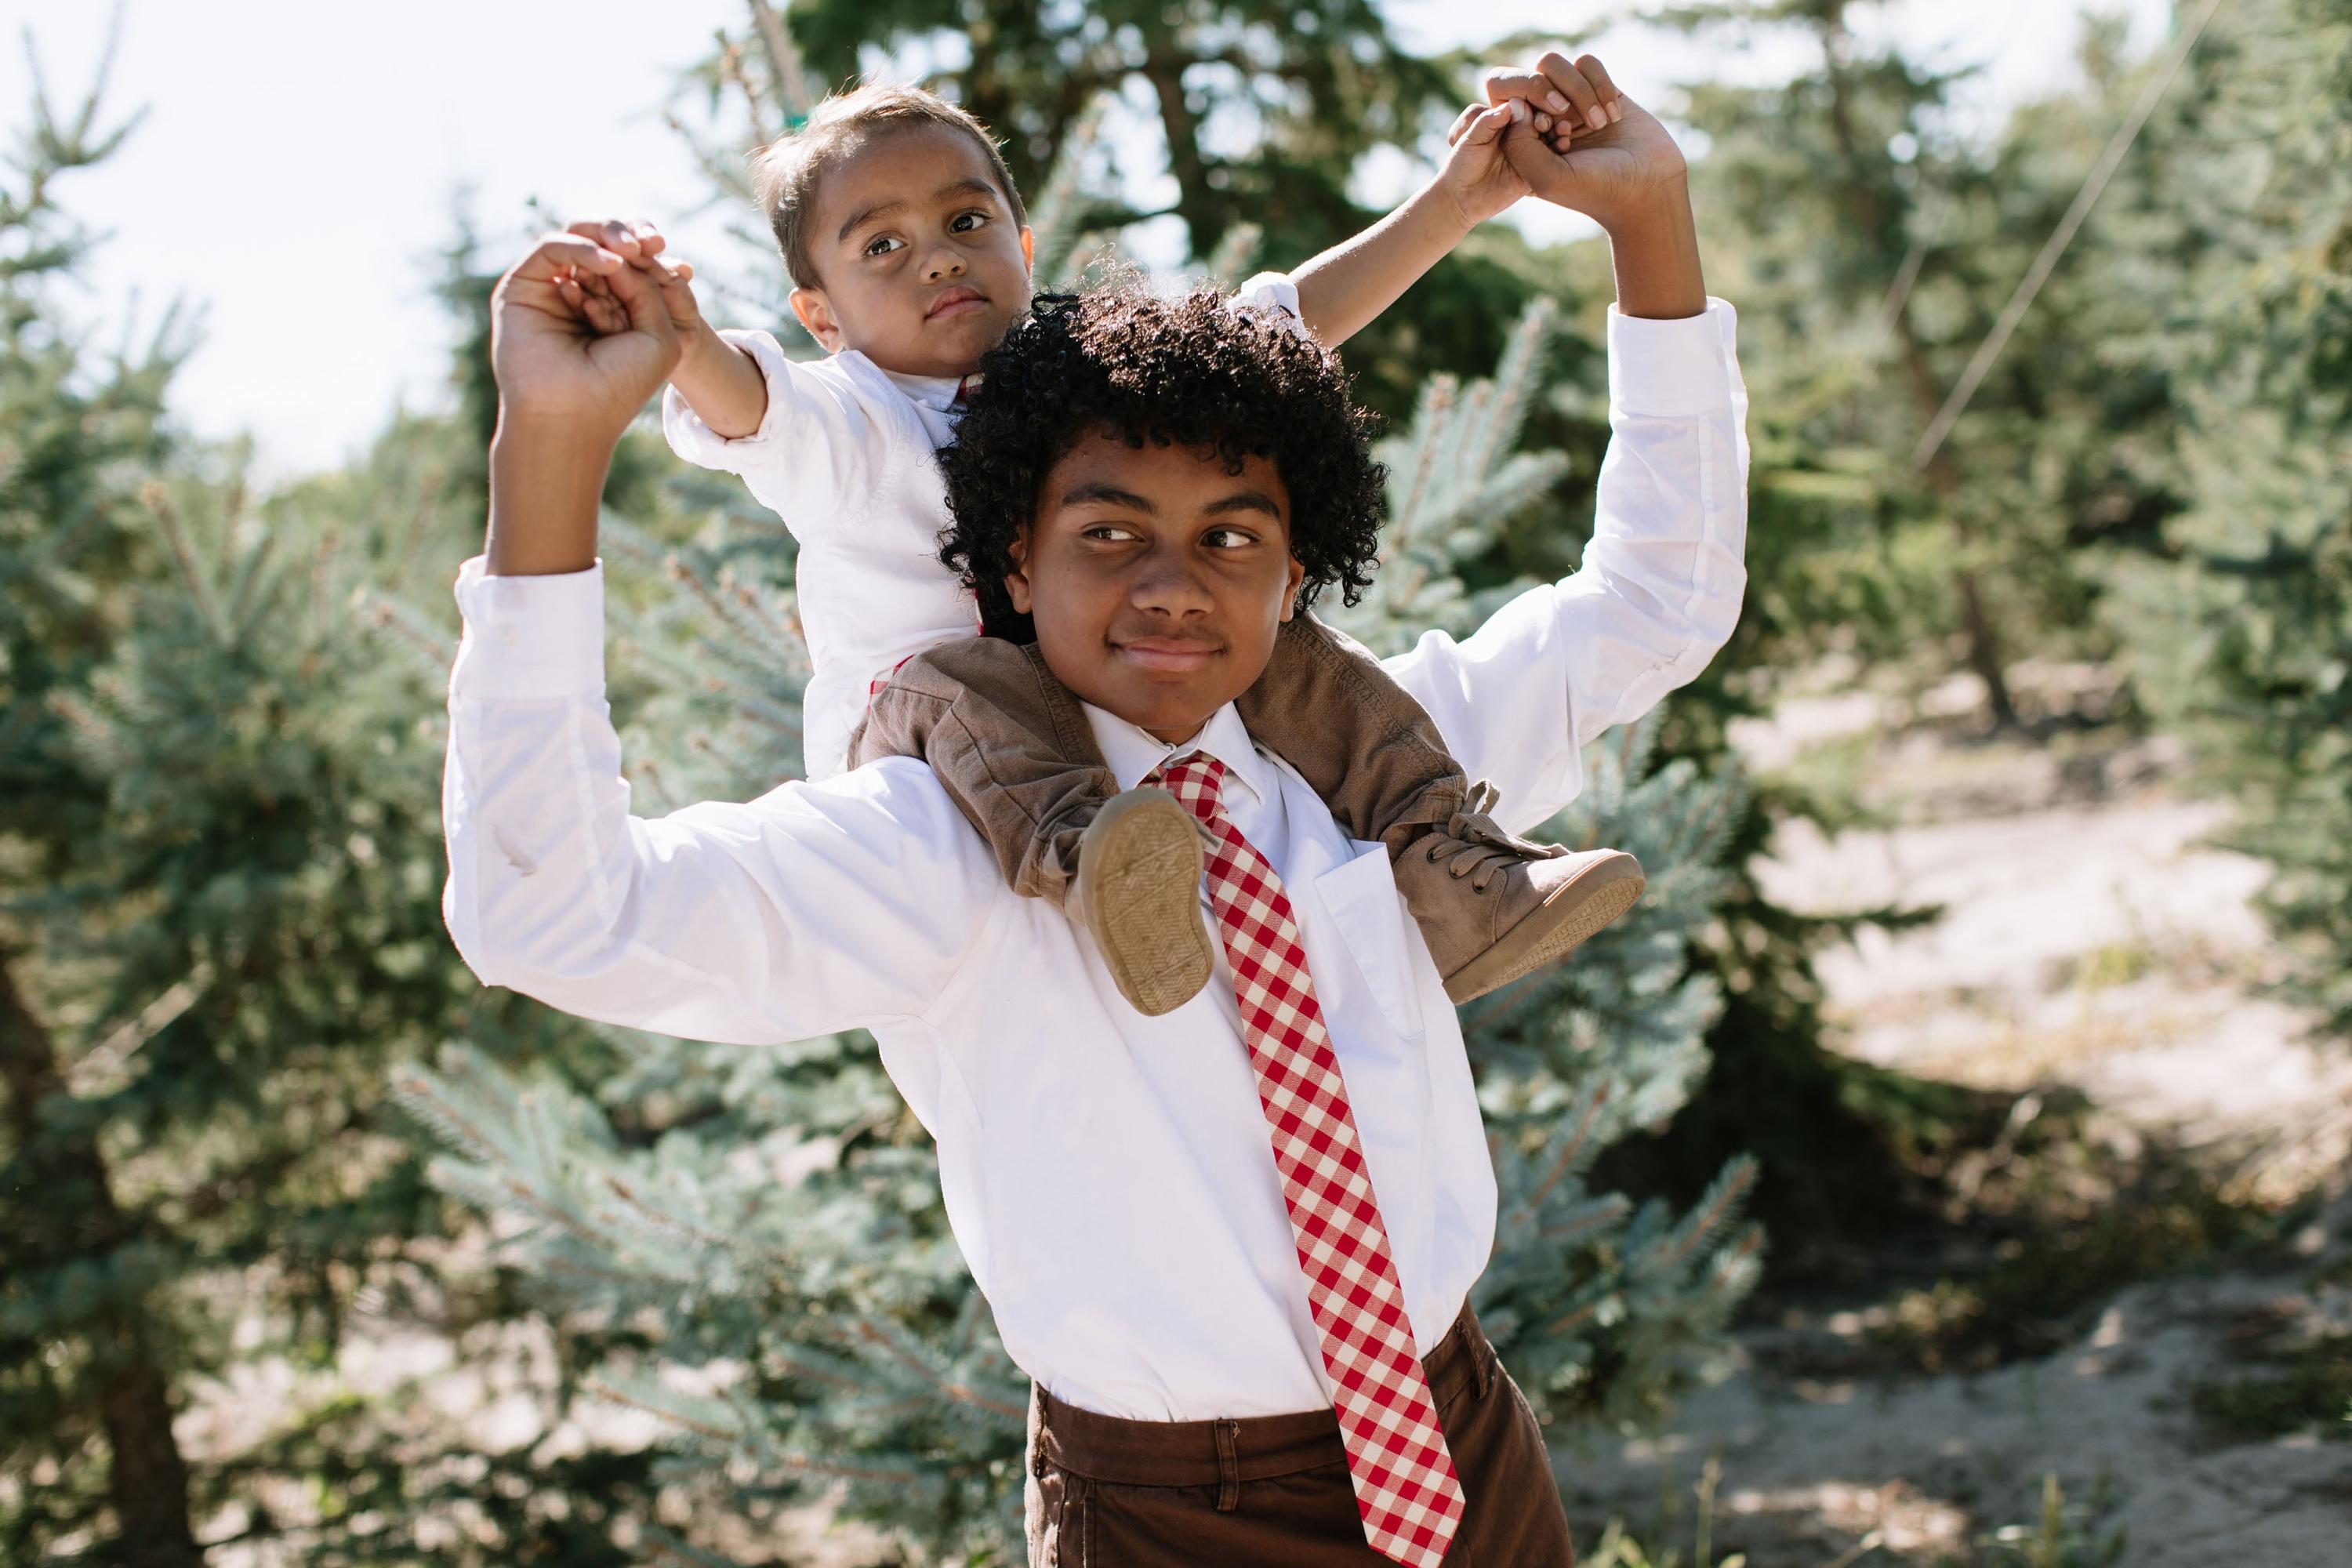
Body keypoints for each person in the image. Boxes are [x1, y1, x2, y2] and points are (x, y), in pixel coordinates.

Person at [445, 50, 1745, 1566]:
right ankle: (1093, 845)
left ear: (1295, 565)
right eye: (1110, 533)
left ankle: (1482, 881)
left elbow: (1656, 600)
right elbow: (551, 917)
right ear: (1012, 558)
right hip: (1180, 1519)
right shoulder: (934, 849)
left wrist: (1649, 223)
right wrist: (552, 454)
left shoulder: (1371, 761)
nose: (1173, 586)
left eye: (1232, 537)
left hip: (1467, 1447)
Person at [561, 69, 1646, 1018]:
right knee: (972, 677)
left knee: (1302, 656)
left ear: (1023, 245)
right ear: (823, 316)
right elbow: (755, 407)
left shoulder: (1088, 377)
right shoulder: (851, 422)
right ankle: (1104, 875)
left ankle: (1455, 871)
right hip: (925, 718)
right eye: (882, 246)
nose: (938, 259)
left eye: (967, 222)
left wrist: (1456, 202)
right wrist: (682, 339)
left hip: (1104, 669)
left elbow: (1283, 325)